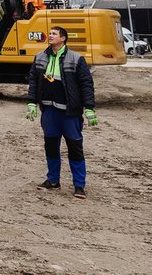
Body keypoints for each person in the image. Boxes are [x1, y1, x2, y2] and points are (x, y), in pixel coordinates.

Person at [26, 26, 97, 199]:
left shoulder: (76, 59)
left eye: (54, 34)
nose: (50, 36)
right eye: (49, 34)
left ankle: (79, 185)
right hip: (49, 111)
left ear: (63, 38)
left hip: (69, 113)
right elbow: (34, 81)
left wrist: (89, 108)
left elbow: (86, 84)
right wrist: (32, 103)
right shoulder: (41, 57)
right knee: (50, 146)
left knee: (74, 148)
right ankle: (52, 180)